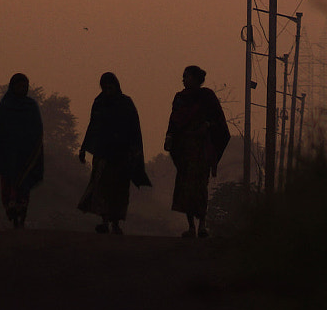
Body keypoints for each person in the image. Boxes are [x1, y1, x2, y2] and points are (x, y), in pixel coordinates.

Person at [77, 71, 151, 235]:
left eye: (110, 86)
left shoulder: (126, 103)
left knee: (119, 189)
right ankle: (104, 221)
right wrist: (83, 148)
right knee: (101, 186)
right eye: (104, 87)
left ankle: (116, 223)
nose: (107, 89)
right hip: (103, 152)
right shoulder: (99, 103)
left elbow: (134, 129)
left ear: (116, 86)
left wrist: (136, 151)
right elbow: (92, 126)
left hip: (122, 154)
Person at [164, 64, 230, 238]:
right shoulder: (180, 98)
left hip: (202, 150)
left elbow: (219, 123)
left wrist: (207, 126)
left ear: (196, 79)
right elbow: (174, 121)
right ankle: (191, 226)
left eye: (187, 76)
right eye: (183, 76)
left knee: (200, 187)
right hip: (185, 149)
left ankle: (202, 225)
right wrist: (170, 137)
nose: (184, 80)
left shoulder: (207, 97)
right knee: (186, 188)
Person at [0, 72, 44, 229]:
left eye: (25, 86)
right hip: (8, 153)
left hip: (25, 154)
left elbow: (37, 130)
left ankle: (21, 215)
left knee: (23, 185)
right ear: (13, 87)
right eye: (19, 86)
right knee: (9, 183)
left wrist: (34, 149)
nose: (22, 89)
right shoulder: (6, 105)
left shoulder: (31, 106)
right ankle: (12, 211)